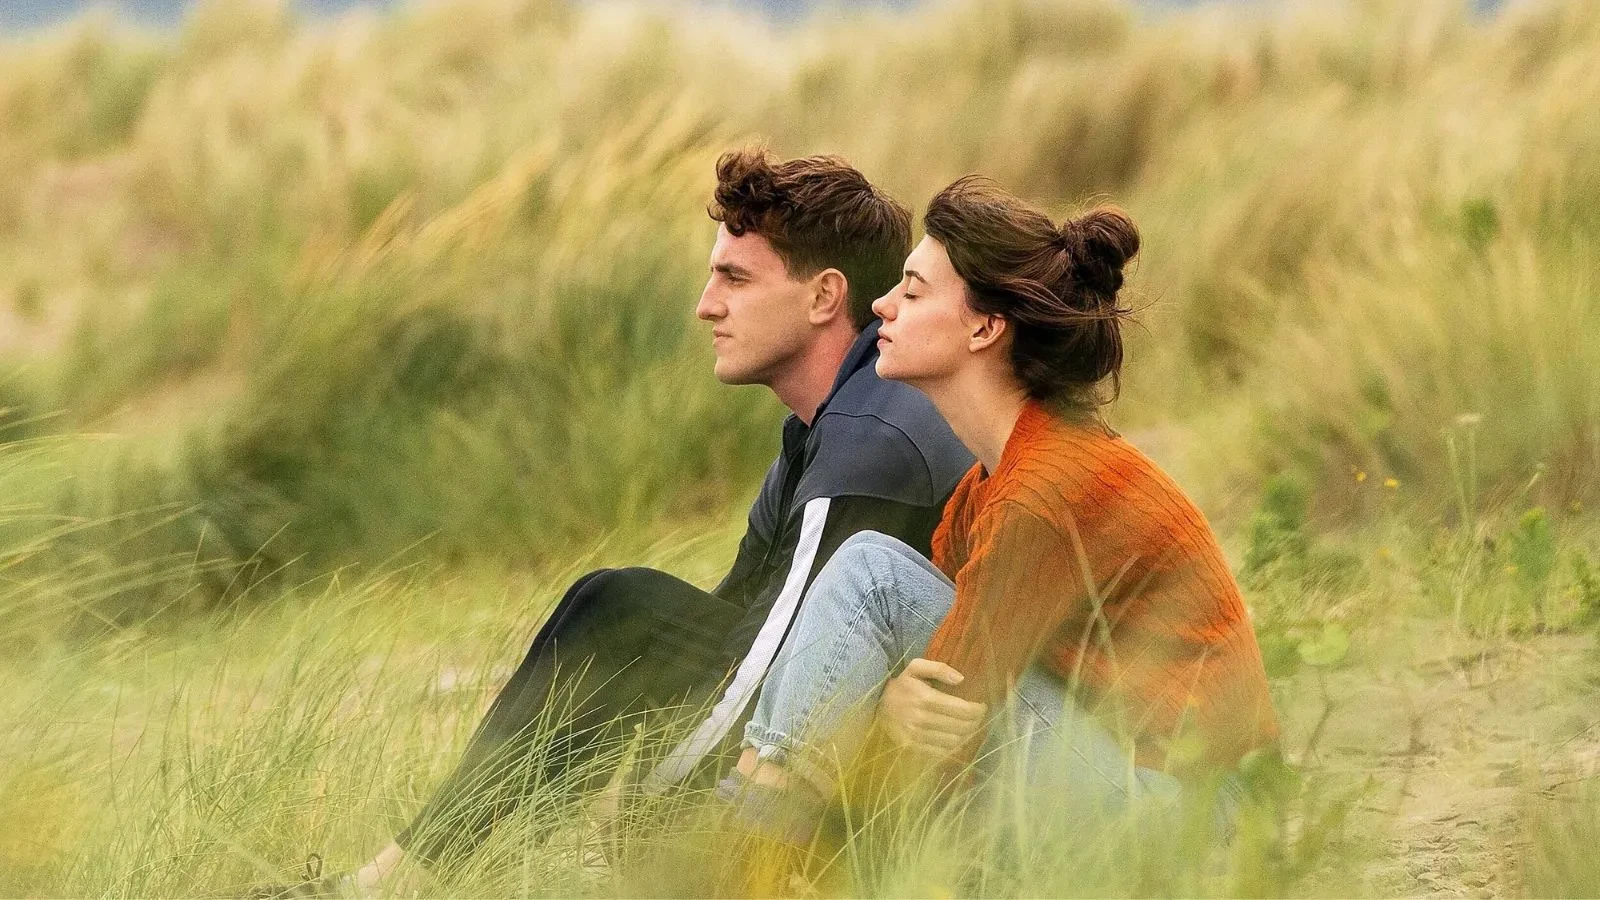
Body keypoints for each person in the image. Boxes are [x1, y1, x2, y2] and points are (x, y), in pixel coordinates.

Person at [251, 150, 973, 897]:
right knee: (624, 620)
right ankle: (430, 879)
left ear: (825, 296)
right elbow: (732, 626)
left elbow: (780, 674)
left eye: (734, 278)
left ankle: (393, 886)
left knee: (620, 611)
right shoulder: (820, 433)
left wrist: (655, 826)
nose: (705, 305)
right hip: (859, 753)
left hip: (938, 784)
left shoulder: (871, 440)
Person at [717, 175, 1281, 855]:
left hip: (1202, 824)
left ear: (984, 327)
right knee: (881, 582)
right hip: (1139, 789)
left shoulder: (1044, 491)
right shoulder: (992, 483)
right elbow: (937, 677)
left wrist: (889, 719)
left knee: (872, 573)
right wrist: (891, 703)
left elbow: (947, 738)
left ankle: (750, 839)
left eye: (913, 291)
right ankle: (757, 829)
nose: (882, 306)